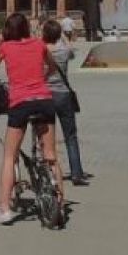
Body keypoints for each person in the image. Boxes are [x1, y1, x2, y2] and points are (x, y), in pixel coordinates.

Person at [0, 13, 63, 224]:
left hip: (20, 103)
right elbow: (53, 67)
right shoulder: (39, 44)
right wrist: (41, 79)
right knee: (51, 154)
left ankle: (5, 208)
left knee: (10, 156)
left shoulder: (6, 47)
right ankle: (60, 203)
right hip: (44, 100)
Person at [42, 19, 88, 186]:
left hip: (45, 95)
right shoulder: (63, 50)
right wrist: (64, 37)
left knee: (46, 137)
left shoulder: (41, 50)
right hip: (63, 95)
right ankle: (76, 173)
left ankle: (49, 172)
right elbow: (72, 52)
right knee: (70, 136)